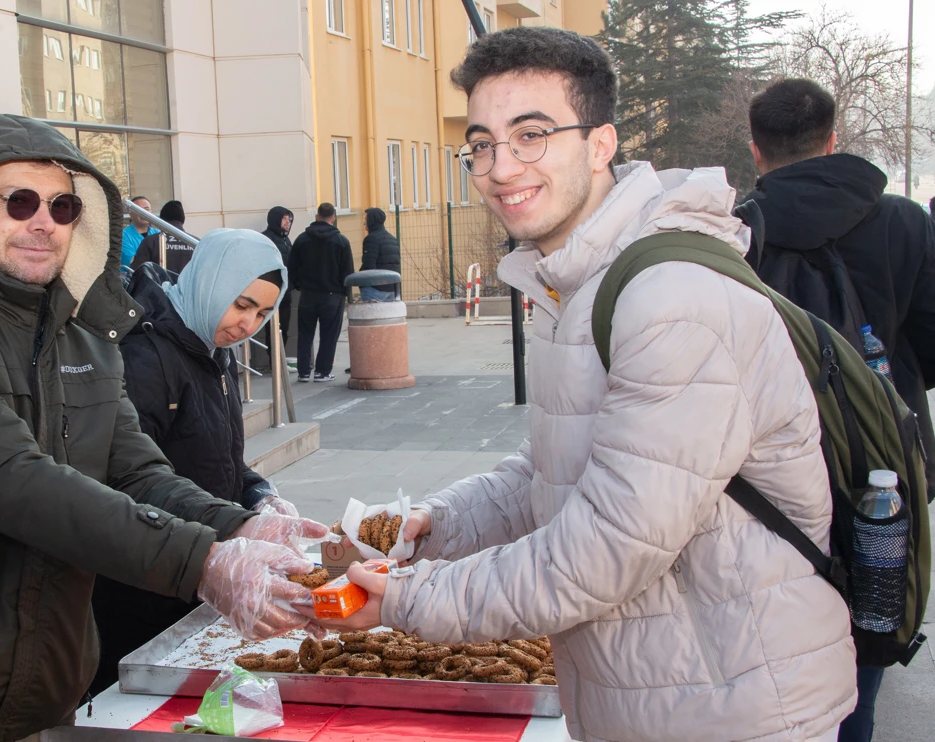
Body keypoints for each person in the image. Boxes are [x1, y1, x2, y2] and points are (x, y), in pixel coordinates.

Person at [313, 28, 855, 742]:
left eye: (532, 134)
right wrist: (441, 525)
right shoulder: (577, 281)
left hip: (733, 707)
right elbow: (562, 470)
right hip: (654, 695)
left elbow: (604, 549)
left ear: (600, 145)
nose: (501, 167)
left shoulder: (670, 300)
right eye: (482, 143)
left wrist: (406, 600)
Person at [0, 114, 327, 742]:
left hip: (42, 693)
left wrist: (245, 523)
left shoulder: (89, 345)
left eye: (63, 205)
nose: (41, 221)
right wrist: (204, 560)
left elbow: (138, 471)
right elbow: (14, 482)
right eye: (18, 201)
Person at [744, 78, 935, 742]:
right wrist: (888, 393)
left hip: (761, 474)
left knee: (759, 656)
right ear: (833, 139)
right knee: (864, 649)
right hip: (881, 470)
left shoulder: (733, 229)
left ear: (757, 149)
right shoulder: (906, 222)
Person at [89, 229, 297, 697]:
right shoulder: (144, 356)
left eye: (263, 313)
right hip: (143, 590)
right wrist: (231, 531)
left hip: (199, 574)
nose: (249, 325)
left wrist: (260, 496)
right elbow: (129, 480)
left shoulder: (212, 352)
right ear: (211, 282)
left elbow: (220, 460)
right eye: (242, 305)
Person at [288, 202, 353, 382]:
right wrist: (346, 293)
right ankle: (322, 372)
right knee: (329, 335)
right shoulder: (341, 241)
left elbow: (292, 267)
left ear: (316, 217)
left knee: (305, 334)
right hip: (333, 296)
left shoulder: (302, 239)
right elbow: (348, 272)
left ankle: (303, 372)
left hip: (307, 295)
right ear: (333, 218)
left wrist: (298, 286)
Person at [262, 206, 295, 355]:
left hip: (286, 290)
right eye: (284, 218)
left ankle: (280, 359)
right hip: (272, 291)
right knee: (274, 328)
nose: (288, 222)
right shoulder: (266, 239)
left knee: (284, 327)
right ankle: (274, 361)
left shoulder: (286, 240)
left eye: (289, 218)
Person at [133, 200, 195, 273]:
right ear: (183, 219)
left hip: (159, 284)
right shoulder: (196, 243)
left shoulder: (151, 242)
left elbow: (137, 272)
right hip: (189, 284)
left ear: (161, 220)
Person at [360, 207, 402, 301]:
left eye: (366, 219)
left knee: (371, 315)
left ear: (371, 220)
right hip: (391, 289)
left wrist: (362, 284)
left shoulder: (371, 239)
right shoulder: (393, 239)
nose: (364, 223)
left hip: (374, 289)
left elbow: (369, 266)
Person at [121, 194, 159, 269]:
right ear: (130, 213)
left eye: (147, 209)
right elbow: (134, 262)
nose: (144, 213)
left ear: (151, 212)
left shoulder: (159, 234)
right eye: (139, 210)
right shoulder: (123, 236)